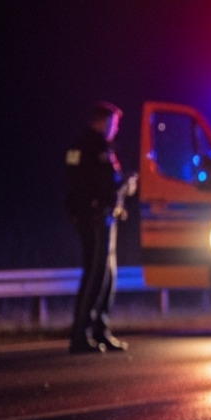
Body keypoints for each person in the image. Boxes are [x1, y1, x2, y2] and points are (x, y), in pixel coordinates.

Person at [64, 101, 136, 353]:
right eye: (114, 123)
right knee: (96, 274)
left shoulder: (91, 147)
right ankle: (81, 334)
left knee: (108, 274)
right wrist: (124, 186)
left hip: (101, 217)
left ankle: (99, 330)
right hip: (96, 218)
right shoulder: (92, 147)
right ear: (103, 122)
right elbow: (95, 185)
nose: (115, 129)